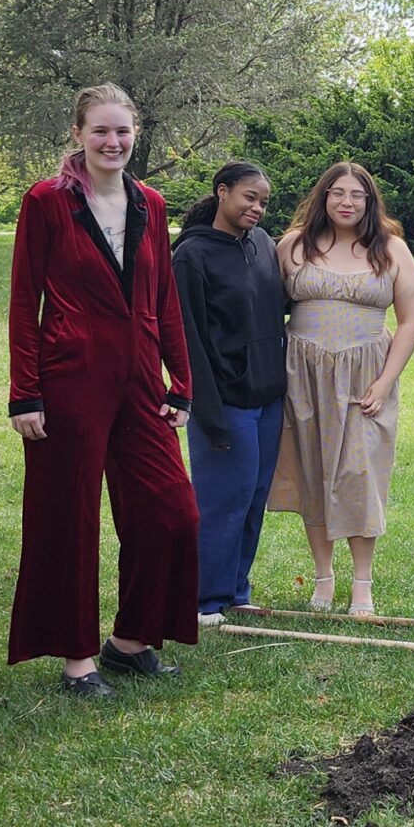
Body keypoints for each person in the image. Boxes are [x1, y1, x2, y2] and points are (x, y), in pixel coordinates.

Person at [5, 83, 201, 698]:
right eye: (100, 131)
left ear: (135, 135)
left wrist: (181, 379)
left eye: (122, 132)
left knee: (172, 512)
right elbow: (23, 299)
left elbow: (164, 295)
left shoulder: (153, 204)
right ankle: (76, 660)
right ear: (78, 135)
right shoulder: (47, 202)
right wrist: (25, 392)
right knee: (69, 517)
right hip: (70, 378)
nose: (112, 142)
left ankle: (131, 641)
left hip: (142, 379)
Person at [268, 162, 414, 615]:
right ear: (323, 197)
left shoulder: (391, 250)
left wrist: (385, 380)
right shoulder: (292, 246)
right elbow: (263, 309)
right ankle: (322, 579)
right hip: (303, 376)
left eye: (357, 195)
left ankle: (362, 585)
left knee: (360, 474)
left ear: (370, 202)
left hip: (364, 378)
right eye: (338, 193)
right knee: (312, 472)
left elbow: (410, 321)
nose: (347, 202)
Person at [172, 161, 288, 625]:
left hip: (268, 398)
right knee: (223, 499)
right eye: (248, 198)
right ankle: (203, 600)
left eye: (262, 201)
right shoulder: (191, 256)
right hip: (223, 401)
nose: (257, 208)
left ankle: (236, 590)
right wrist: (207, 408)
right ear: (222, 193)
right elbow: (187, 339)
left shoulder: (263, 245)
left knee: (253, 496)